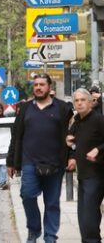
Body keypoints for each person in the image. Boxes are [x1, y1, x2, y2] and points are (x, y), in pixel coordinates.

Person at [6, 74, 73, 243]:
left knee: (52, 203)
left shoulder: (63, 109)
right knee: (27, 195)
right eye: (36, 84)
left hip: (55, 163)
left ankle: (50, 236)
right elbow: (16, 136)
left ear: (49, 87)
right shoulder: (25, 109)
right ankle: (34, 230)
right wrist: (11, 161)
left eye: (42, 84)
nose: (38, 87)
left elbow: (73, 135)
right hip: (29, 163)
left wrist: (71, 157)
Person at [66, 88, 104, 243]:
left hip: (97, 174)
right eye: (77, 100)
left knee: (89, 216)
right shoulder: (76, 120)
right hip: (83, 174)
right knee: (83, 216)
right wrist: (72, 157)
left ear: (90, 102)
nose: (80, 103)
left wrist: (98, 149)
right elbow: (74, 144)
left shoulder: (99, 119)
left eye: (83, 100)